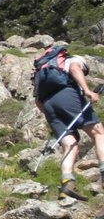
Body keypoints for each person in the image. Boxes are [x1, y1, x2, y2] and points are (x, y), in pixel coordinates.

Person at [35, 54, 104, 201]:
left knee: (69, 144)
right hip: (67, 95)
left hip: (47, 105)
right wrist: (87, 91)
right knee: (98, 132)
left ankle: (67, 184)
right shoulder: (73, 60)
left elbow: (37, 100)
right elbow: (74, 68)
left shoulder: (42, 72)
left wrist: (52, 117)